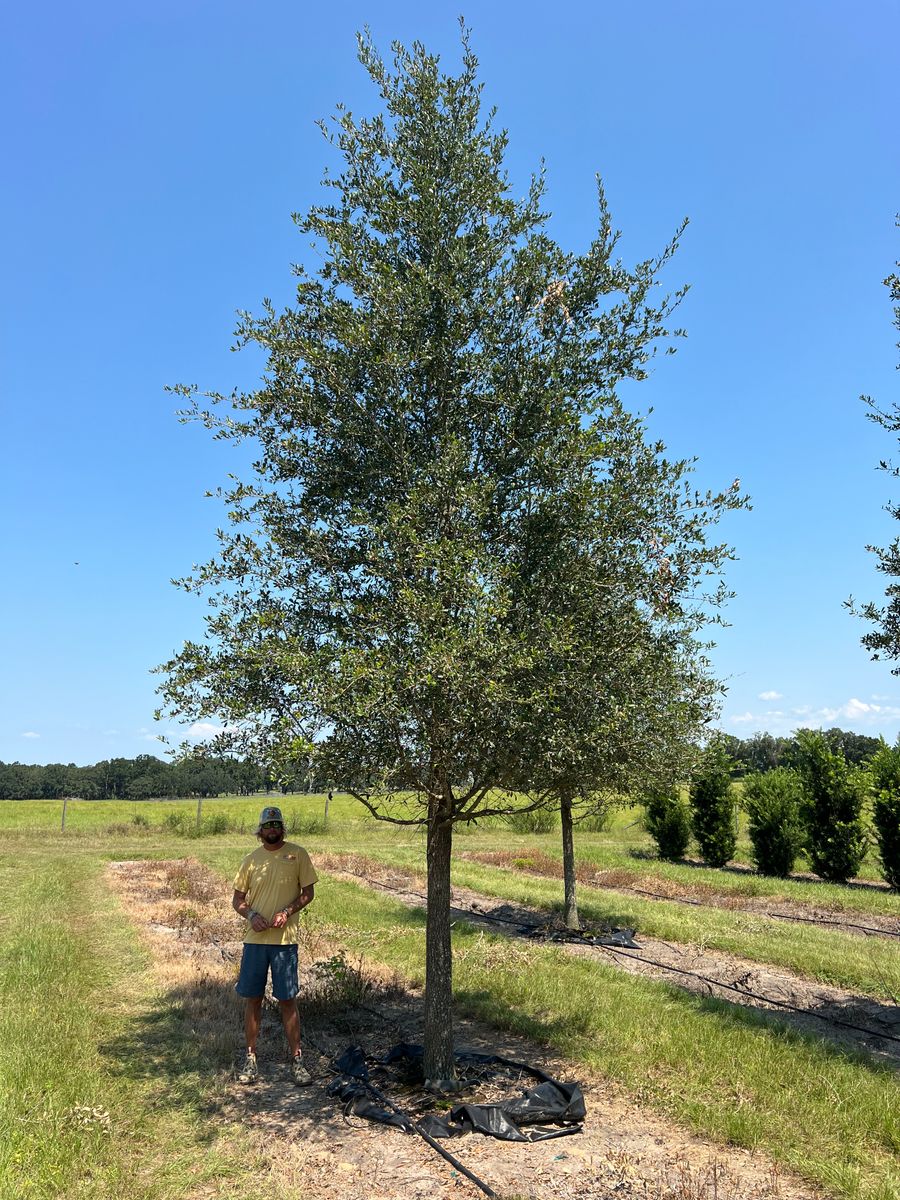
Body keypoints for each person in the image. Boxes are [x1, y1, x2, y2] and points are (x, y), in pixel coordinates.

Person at [231, 805, 318, 1085]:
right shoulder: (250, 861)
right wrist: (252, 915)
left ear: (283, 828)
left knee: (287, 1000)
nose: (272, 830)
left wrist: (287, 912)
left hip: (285, 942)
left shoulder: (297, 854)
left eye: (276, 825)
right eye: (267, 826)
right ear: (260, 831)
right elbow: (238, 900)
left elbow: (308, 893)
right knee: (252, 999)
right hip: (255, 942)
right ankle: (250, 1059)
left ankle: (297, 1060)